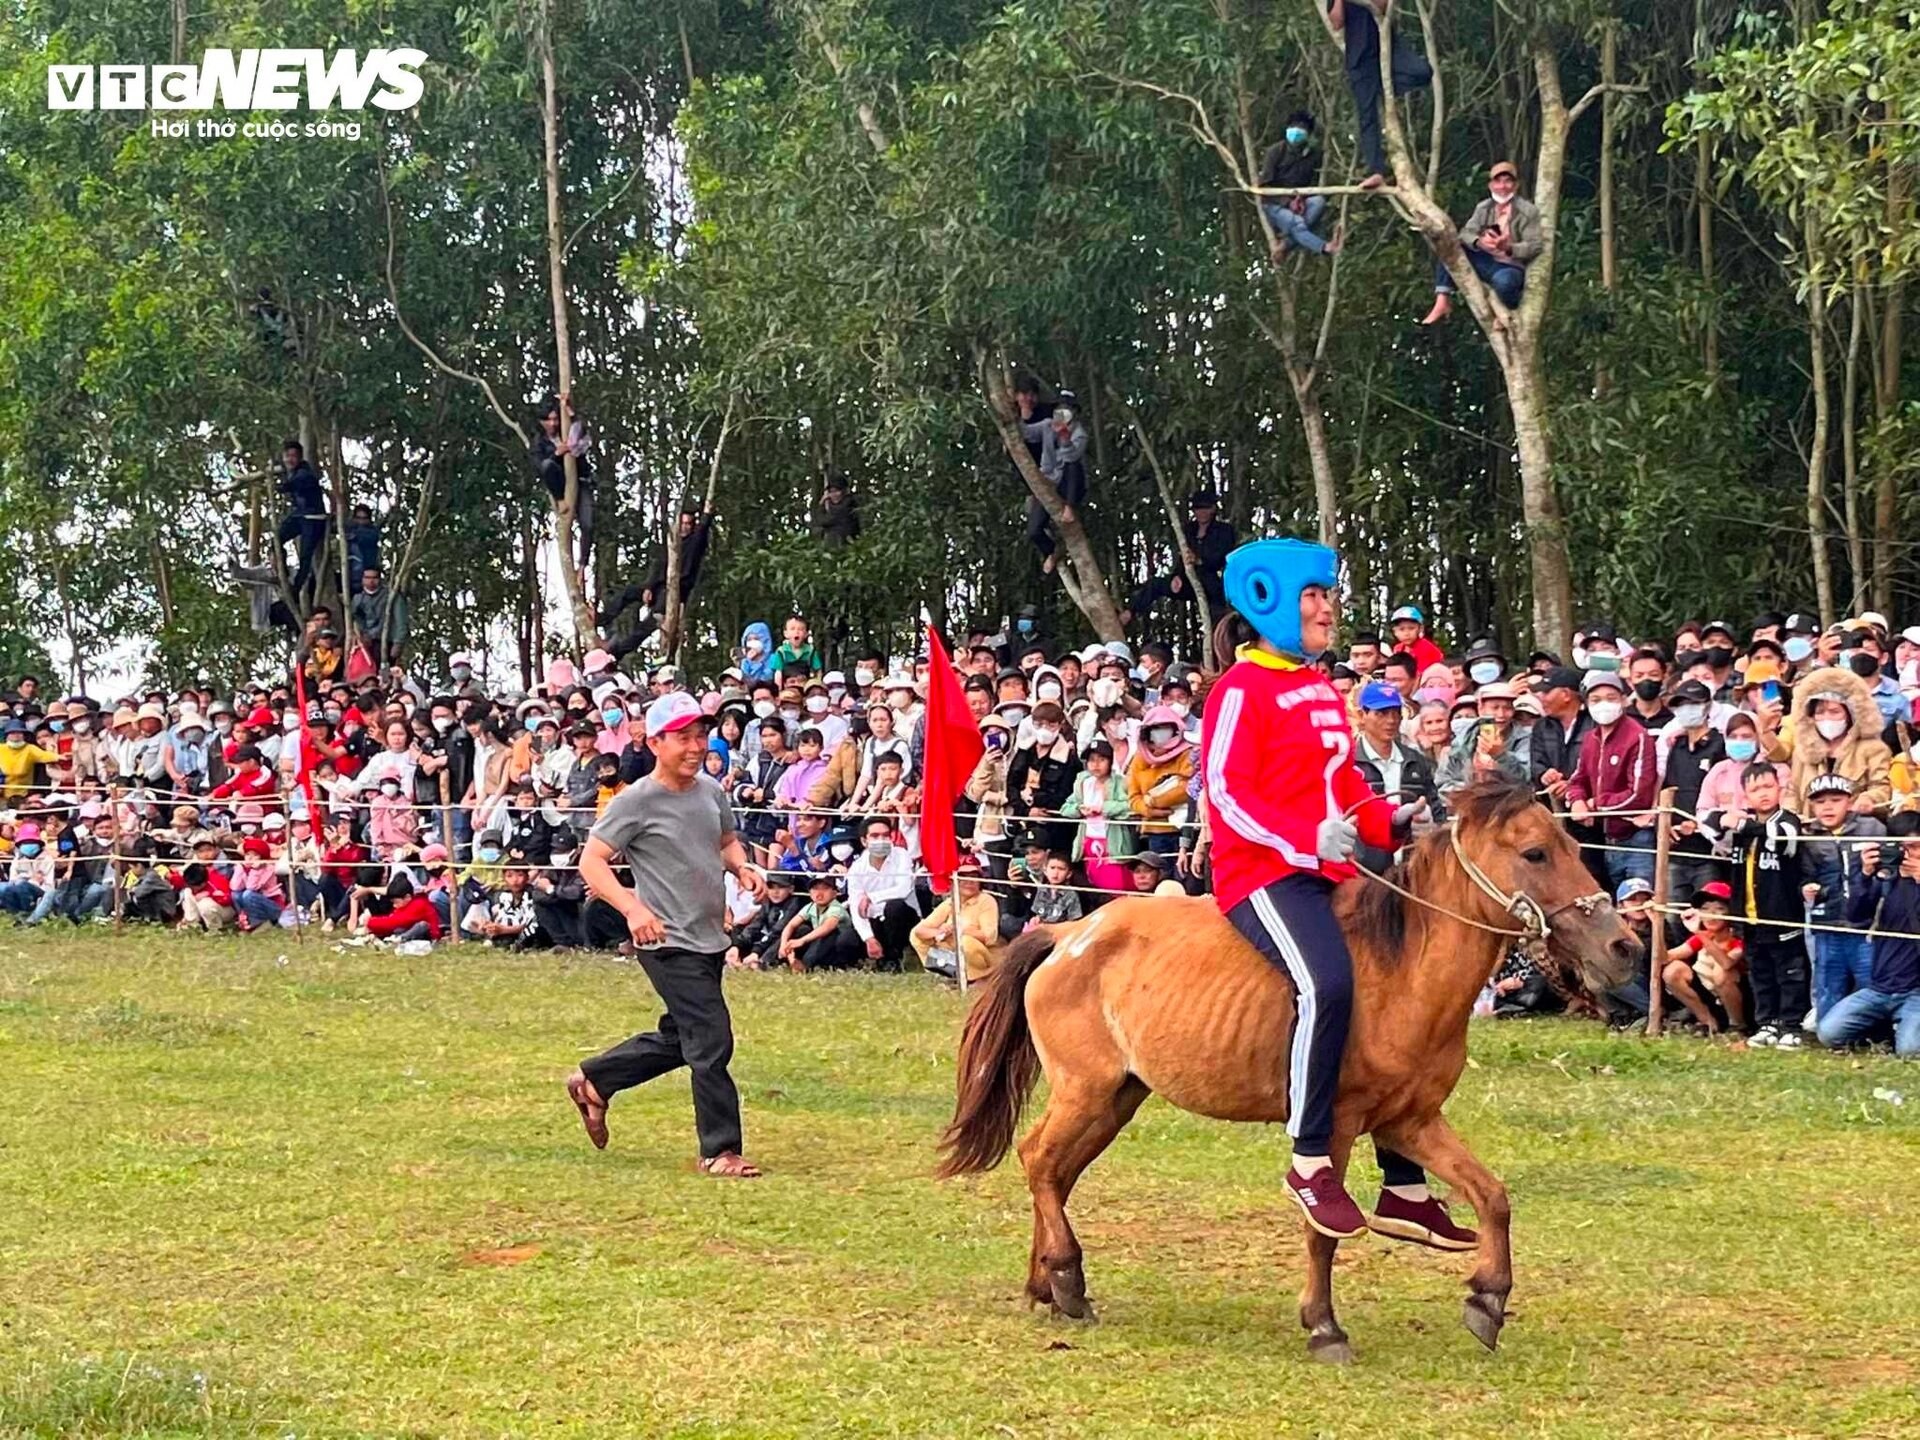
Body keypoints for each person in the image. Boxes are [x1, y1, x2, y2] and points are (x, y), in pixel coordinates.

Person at [1203, 537, 1464, 1249]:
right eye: (1313, 597)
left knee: (1396, 999)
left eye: (1327, 596)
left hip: (1329, 869)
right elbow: (1227, 791)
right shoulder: (1239, 689)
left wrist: (1387, 818)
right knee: (1327, 986)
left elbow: (1343, 783)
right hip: (1261, 874)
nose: (1326, 609)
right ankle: (1310, 1158)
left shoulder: (1319, 687)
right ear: (1271, 605)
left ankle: (1405, 1186)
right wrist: (1302, 840)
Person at [564, 691, 767, 1179]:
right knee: (712, 1039)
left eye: (701, 735)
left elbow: (725, 842)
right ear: (654, 742)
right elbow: (591, 862)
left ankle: (595, 1081)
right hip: (664, 940)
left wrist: (743, 868)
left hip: (708, 938)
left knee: (683, 1038)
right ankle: (719, 1150)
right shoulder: (635, 801)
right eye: (683, 737)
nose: (696, 746)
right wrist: (633, 909)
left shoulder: (710, 792)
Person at [1706, 763, 1809, 1047]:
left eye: (1767, 786)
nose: (1762, 794)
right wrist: (1725, 820)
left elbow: (1782, 839)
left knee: (1789, 974)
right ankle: (1767, 1024)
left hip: (1782, 916)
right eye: (1754, 789)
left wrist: (1740, 823)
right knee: (1761, 974)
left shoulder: (1788, 820)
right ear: (1745, 796)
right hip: (1749, 919)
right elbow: (1712, 829)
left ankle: (1792, 1025)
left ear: (1779, 788)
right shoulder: (1743, 825)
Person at [1819, 811, 1920, 1055]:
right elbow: (1856, 915)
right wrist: (1864, 874)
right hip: (1879, 988)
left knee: (1909, 1051)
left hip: (1916, 991)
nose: (1910, 853)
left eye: (1916, 846)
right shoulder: (1885, 878)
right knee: (1828, 1033)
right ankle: (1884, 1030)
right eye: (1902, 847)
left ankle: (1901, 1030)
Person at [1565, 672, 1658, 888]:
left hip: (1636, 838)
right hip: (1605, 839)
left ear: (1624, 700)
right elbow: (1577, 779)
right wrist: (1577, 801)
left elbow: (1638, 795)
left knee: (1641, 905)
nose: (1603, 705)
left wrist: (1594, 805)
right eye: (1595, 700)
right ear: (1586, 704)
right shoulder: (1590, 738)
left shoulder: (1638, 737)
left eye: (1611, 698)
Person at [1800, 771, 1881, 1021]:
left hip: (1866, 926)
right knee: (1827, 984)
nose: (1828, 807)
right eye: (1820, 801)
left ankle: (1878, 1033)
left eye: (1835, 800)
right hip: (1826, 924)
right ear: (1812, 806)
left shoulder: (1872, 827)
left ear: (1849, 800)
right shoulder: (1808, 836)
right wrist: (1808, 889)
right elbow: (1802, 877)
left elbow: (1888, 870)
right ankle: (1830, 1031)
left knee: (1872, 982)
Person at [1325, 0, 1432, 188]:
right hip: (1359, 58)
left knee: (1422, 72)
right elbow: (1336, 23)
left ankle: (1385, 88)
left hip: (1388, 47)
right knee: (1367, 117)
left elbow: (1382, 5)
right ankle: (1376, 171)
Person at [1419, 161, 1541, 325]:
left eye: (1507, 181)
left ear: (1515, 185)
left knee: (1504, 284)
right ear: (1491, 185)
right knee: (1449, 245)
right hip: (1486, 260)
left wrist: (1509, 247)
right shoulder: (1484, 207)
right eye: (1498, 181)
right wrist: (1479, 242)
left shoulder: (1528, 211)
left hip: (1509, 265)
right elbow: (1466, 233)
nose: (1503, 186)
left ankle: (1510, 312)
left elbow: (1535, 245)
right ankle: (1442, 298)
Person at [601, 502, 716, 657]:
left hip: (674, 592)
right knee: (627, 593)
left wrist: (707, 514)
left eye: (688, 524)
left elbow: (702, 530)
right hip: (658, 587)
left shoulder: (695, 542)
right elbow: (658, 566)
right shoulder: (671, 542)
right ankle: (601, 619)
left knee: (647, 625)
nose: (684, 527)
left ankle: (617, 652)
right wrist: (649, 587)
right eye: (681, 523)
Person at [1661, 881, 1748, 1033]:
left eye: (1719, 909)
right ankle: (1707, 1022)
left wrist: (1699, 933)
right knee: (1673, 971)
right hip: (1710, 997)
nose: (1710, 915)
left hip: (1743, 1001)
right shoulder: (1702, 936)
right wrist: (1657, 922)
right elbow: (1665, 957)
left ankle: (1738, 1026)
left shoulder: (1739, 938)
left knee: (1721, 971)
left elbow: (1727, 964)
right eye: (1705, 909)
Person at [1258, 110, 1342, 260]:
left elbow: (1313, 184)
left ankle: (1285, 244)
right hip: (1273, 204)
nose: (1297, 130)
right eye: (1293, 126)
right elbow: (1264, 188)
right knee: (1297, 223)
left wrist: (1300, 200)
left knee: (1319, 202)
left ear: (1308, 134)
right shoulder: (1275, 151)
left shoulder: (1313, 155)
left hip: (1300, 202)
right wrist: (1287, 202)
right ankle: (1325, 247)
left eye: (1302, 127)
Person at [1022, 395, 1089, 574]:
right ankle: (1053, 551)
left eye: (1067, 408)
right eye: (1059, 407)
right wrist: (1017, 414)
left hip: (1069, 484)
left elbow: (1071, 458)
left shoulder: (1080, 434)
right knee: (1033, 532)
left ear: (1074, 413)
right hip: (1048, 481)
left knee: (1073, 465)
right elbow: (1026, 433)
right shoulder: (1047, 425)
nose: (1062, 412)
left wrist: (1065, 438)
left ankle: (1070, 506)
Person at [843, 815, 920, 969]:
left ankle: (895, 957)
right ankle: (873, 957)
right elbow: (856, 906)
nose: (881, 840)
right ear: (864, 841)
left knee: (894, 907)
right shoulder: (857, 868)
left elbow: (904, 889)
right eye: (875, 836)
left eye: (886, 835)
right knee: (845, 940)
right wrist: (869, 938)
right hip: (875, 920)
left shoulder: (901, 855)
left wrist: (871, 897)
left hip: (904, 919)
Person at [910, 859, 1002, 983]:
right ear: (955, 881)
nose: (969, 882)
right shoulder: (950, 902)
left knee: (965, 942)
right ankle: (944, 972)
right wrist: (940, 932)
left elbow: (989, 937)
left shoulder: (986, 900)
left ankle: (977, 978)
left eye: (974, 877)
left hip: (981, 952)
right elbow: (920, 930)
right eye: (963, 877)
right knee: (915, 936)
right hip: (952, 949)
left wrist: (960, 930)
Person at [532, 395, 594, 573]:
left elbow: (580, 429)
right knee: (547, 465)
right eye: (549, 420)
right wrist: (556, 454)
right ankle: (561, 500)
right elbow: (539, 465)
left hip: (581, 481)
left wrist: (569, 410)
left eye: (555, 419)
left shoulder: (565, 431)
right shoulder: (540, 443)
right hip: (560, 482)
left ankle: (582, 566)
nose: (553, 424)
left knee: (588, 524)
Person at [275, 440, 329, 599]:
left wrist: (279, 486)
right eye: (287, 456)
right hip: (299, 515)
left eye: (294, 456)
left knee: (305, 557)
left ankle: (295, 589)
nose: (290, 459)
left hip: (313, 518)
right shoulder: (288, 470)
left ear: (300, 458)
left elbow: (292, 485)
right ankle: (282, 571)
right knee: (276, 540)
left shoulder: (304, 473)